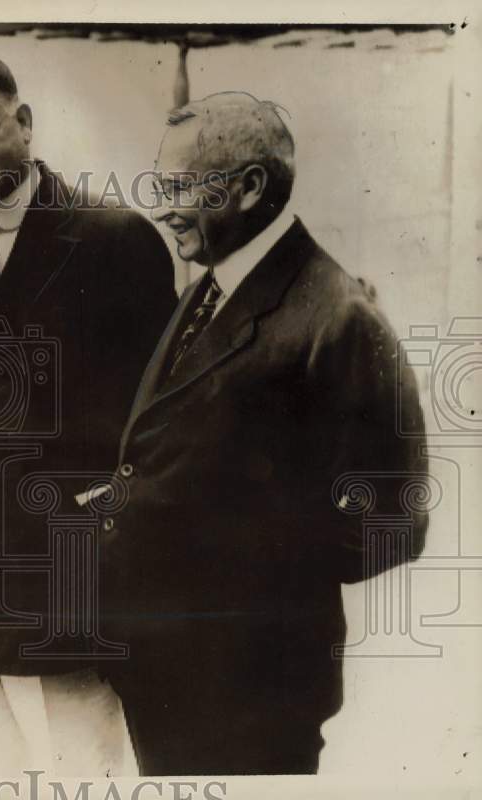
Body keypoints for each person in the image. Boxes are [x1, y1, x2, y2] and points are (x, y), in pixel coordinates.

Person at [104, 92, 430, 774]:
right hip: (171, 669)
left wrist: (201, 528)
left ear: (249, 188)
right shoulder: (215, 280)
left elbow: (392, 523)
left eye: (178, 188)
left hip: (250, 687)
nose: (162, 206)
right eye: (157, 186)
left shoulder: (338, 315)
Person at [0, 55, 176, 776]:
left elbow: (161, 419)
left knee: (87, 764)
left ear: (24, 123)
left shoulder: (115, 238)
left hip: (66, 574)